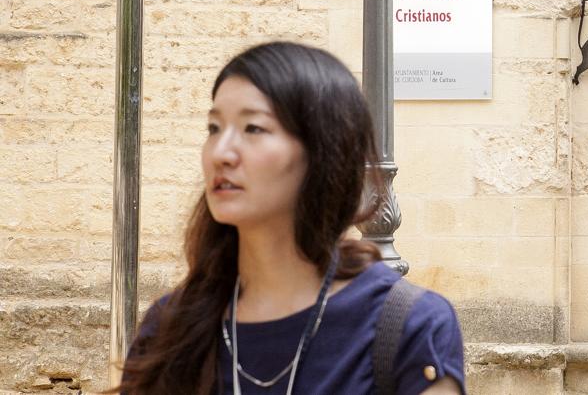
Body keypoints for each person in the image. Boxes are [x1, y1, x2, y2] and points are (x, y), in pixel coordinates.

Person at [117, 42, 465, 394]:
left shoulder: (408, 326)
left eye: (253, 128)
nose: (221, 152)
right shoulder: (170, 329)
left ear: (324, 151)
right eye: (214, 128)